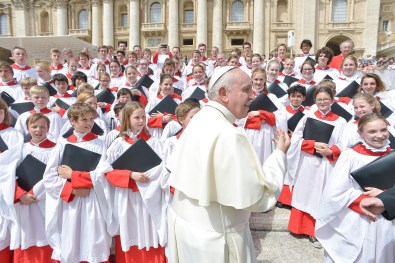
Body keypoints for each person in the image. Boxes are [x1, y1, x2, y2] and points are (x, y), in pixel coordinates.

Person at [167, 66, 290, 263]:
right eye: (246, 90)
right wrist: (279, 155)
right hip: (216, 241)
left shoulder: (198, 118)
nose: (253, 96)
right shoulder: (230, 135)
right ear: (223, 93)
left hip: (185, 230)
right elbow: (258, 198)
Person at [315, 113, 395, 262]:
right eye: (372, 131)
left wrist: (385, 196)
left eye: (383, 130)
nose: (380, 135)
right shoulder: (350, 156)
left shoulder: (393, 155)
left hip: (389, 219)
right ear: (360, 133)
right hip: (359, 218)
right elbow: (335, 193)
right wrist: (366, 199)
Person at [43, 103, 113, 262]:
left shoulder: (100, 144)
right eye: (84, 119)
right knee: (71, 241)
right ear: (72, 121)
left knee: (93, 240)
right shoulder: (63, 144)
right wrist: (72, 190)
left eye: (91, 119)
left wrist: (73, 175)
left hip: (92, 199)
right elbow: (49, 177)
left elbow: (102, 175)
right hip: (70, 201)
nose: (89, 123)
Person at [104, 101, 167, 263]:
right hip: (127, 198)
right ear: (126, 118)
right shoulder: (118, 144)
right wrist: (131, 175)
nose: (141, 121)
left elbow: (163, 168)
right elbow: (107, 172)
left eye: (143, 117)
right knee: (130, 233)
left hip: (149, 197)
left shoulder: (154, 142)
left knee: (151, 232)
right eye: (137, 117)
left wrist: (147, 177)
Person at [287, 82, 347, 248]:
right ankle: (298, 227)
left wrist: (332, 151)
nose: (322, 102)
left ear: (332, 100)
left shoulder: (341, 121)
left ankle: (315, 231)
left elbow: (344, 144)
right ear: (314, 100)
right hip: (307, 162)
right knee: (305, 193)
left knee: (320, 196)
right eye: (319, 99)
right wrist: (312, 145)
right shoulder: (308, 117)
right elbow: (296, 140)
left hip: (327, 164)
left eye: (326, 99)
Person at [11, 113, 57, 263]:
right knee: (25, 237)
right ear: (27, 128)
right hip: (22, 202)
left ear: (48, 129)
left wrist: (33, 193)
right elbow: (7, 176)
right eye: (34, 126)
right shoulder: (20, 149)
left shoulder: (55, 150)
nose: (38, 130)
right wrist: (20, 194)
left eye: (43, 127)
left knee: (45, 237)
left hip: (45, 201)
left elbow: (54, 176)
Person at [0, 98, 24, 263]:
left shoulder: (13, 134)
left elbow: (15, 159)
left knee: (7, 230)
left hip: (6, 185)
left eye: (0, 112)